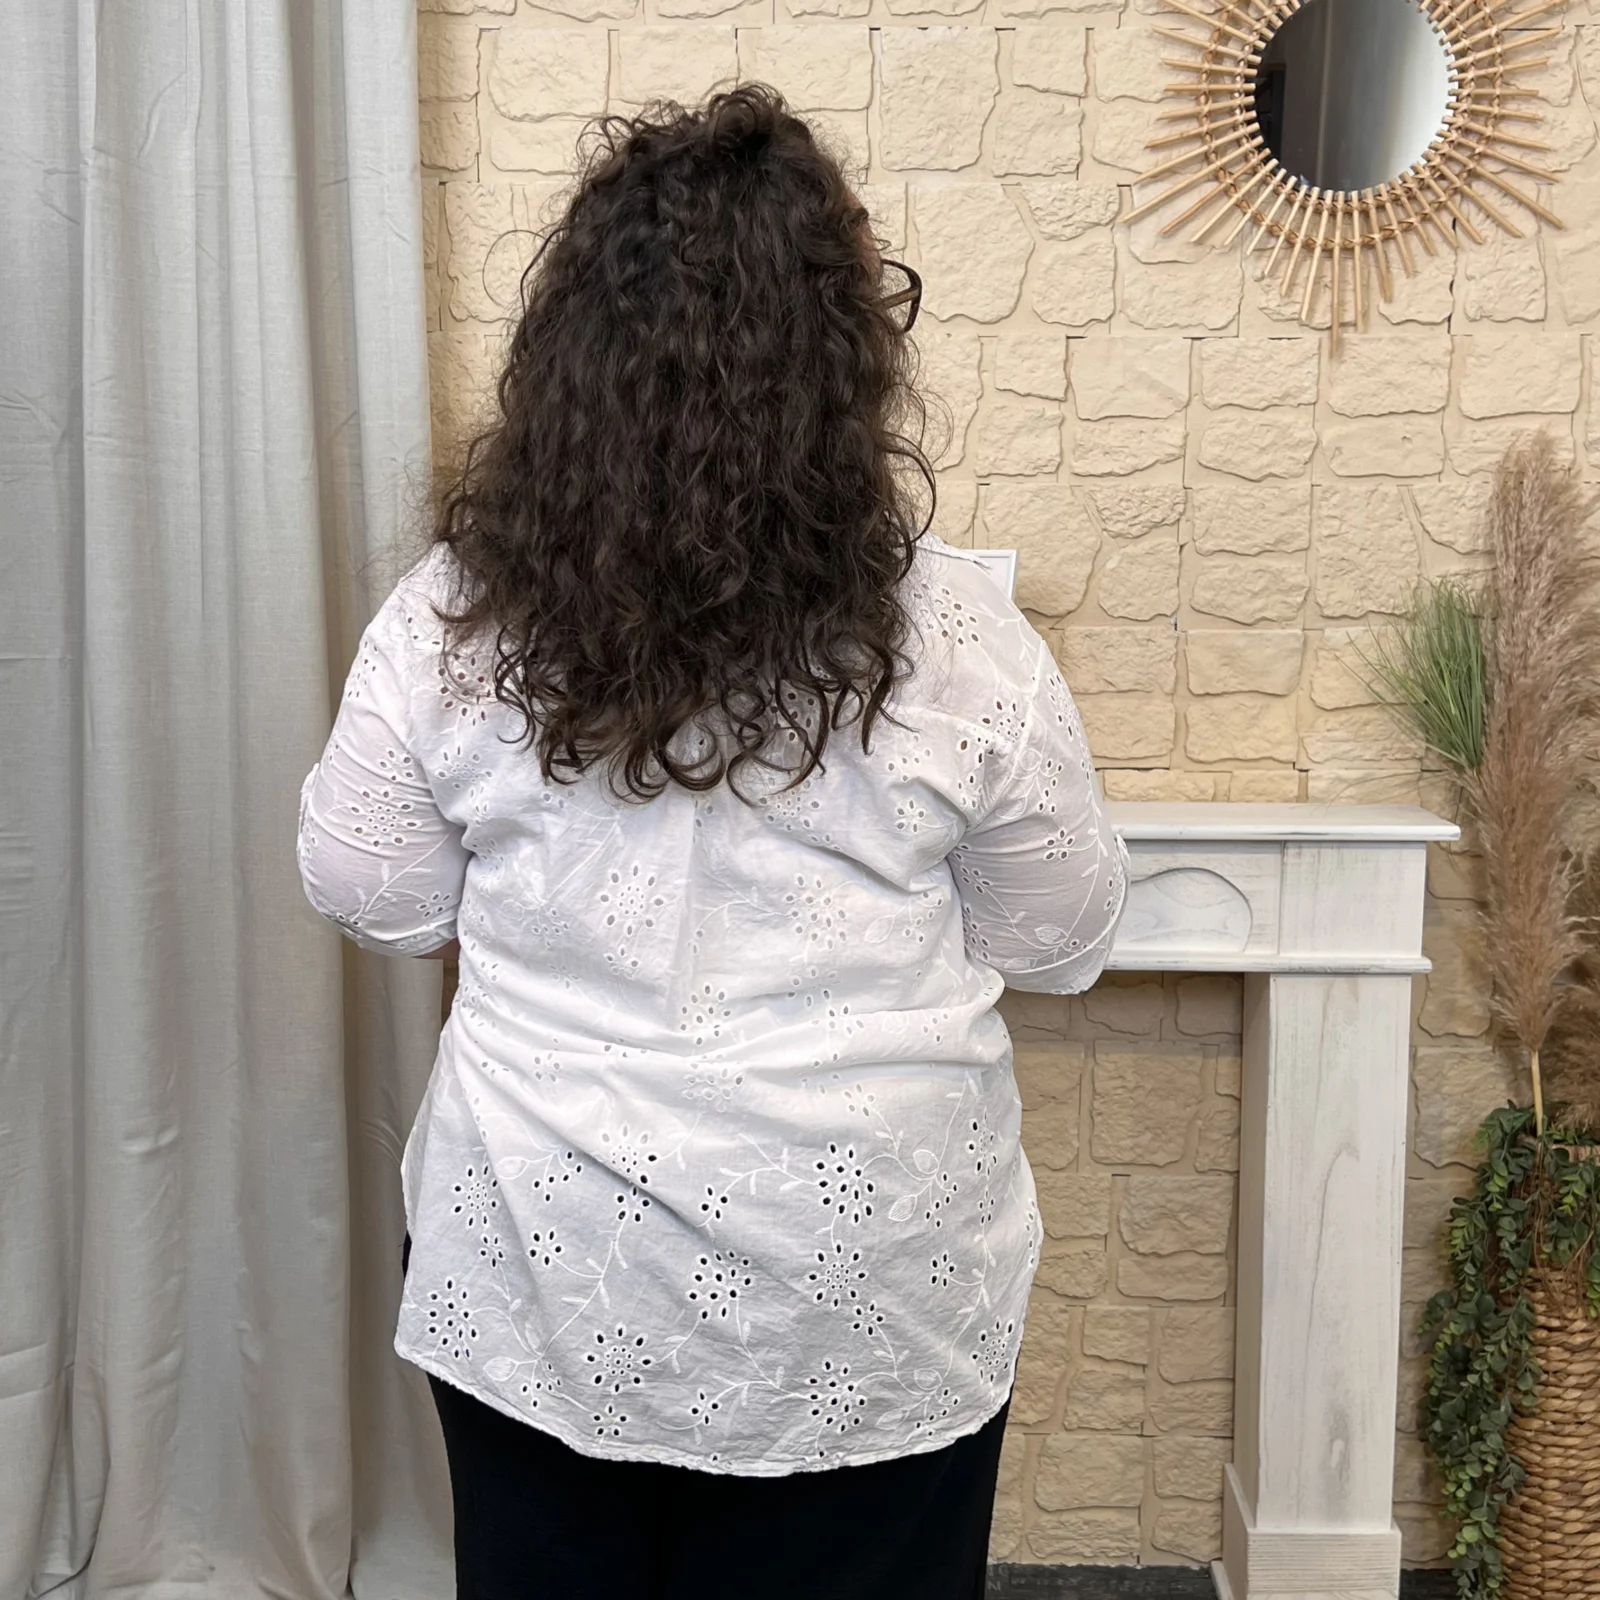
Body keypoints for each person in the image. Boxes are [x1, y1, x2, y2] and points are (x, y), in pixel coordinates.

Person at [297, 85, 1126, 1600]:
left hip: (545, 1263)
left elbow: (373, 892)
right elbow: (1060, 939)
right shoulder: (959, 634)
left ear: (568, 358)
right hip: (868, 1285)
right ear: (846, 358)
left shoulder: (451, 621)